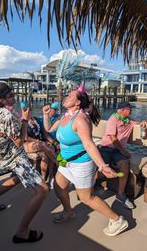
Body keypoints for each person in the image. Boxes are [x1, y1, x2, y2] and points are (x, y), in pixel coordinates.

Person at [42, 83, 128, 237]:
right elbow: (49, 129)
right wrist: (45, 115)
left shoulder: (80, 119)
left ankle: (117, 220)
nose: (67, 96)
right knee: (59, 187)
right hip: (66, 163)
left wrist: (102, 165)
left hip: (81, 163)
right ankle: (68, 212)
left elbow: (88, 144)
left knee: (86, 197)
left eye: (70, 95)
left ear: (77, 102)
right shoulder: (65, 115)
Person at [0, 82, 48, 243]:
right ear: (2, 100)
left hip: (0, 156)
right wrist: (24, 120)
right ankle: (22, 231)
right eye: (10, 95)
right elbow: (19, 142)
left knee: (17, 178)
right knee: (43, 190)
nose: (14, 97)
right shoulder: (7, 115)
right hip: (13, 157)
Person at [98, 101, 147, 209]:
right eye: (129, 109)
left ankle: (120, 195)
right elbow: (112, 138)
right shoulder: (113, 119)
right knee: (102, 167)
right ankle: (88, 186)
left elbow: (137, 124)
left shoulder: (128, 120)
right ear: (122, 110)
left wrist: (143, 122)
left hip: (117, 151)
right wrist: (124, 151)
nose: (131, 111)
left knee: (125, 164)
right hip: (106, 147)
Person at [23, 109, 59, 184]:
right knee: (44, 146)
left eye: (30, 110)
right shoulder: (22, 122)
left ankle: (48, 177)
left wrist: (53, 142)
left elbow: (45, 134)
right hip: (28, 144)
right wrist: (39, 141)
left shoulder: (36, 120)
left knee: (47, 152)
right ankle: (58, 164)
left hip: (41, 143)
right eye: (26, 111)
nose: (28, 112)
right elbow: (26, 138)